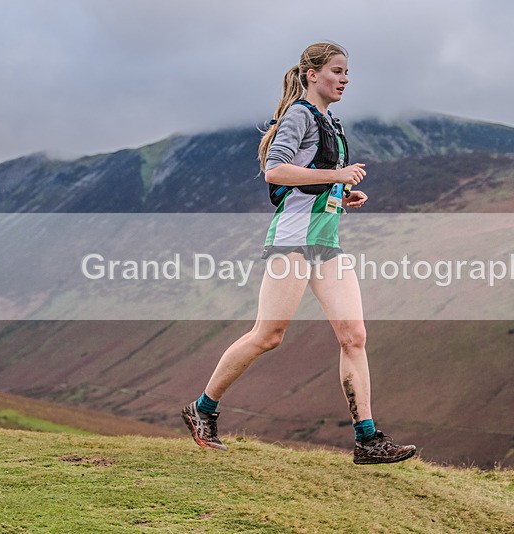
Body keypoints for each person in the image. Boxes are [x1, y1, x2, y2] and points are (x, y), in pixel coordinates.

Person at [182, 42, 416, 465]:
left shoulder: (331, 123)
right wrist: (337, 174)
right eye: (337, 71)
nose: (345, 79)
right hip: (291, 242)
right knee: (268, 336)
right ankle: (203, 409)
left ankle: (367, 440)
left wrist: (340, 193)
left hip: (325, 244)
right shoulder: (299, 116)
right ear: (312, 74)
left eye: (348, 73)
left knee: (354, 336)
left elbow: (310, 184)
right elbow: (275, 171)